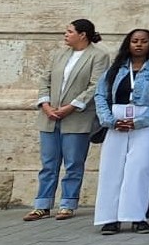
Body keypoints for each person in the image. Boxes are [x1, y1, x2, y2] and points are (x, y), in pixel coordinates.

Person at [27, 19, 110, 222]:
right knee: (48, 163)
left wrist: (71, 106)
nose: (65, 34)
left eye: (70, 31)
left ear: (82, 35)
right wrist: (45, 104)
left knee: (73, 163)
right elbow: (45, 79)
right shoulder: (59, 54)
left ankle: (68, 203)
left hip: (77, 117)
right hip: (50, 116)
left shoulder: (99, 56)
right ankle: (42, 204)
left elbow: (95, 85)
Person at [92, 29, 149, 234]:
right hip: (116, 123)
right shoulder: (115, 70)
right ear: (128, 43)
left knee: (139, 169)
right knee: (111, 169)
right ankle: (110, 218)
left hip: (144, 124)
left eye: (143, 41)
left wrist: (139, 121)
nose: (139, 45)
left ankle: (136, 216)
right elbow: (100, 95)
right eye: (135, 41)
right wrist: (109, 120)